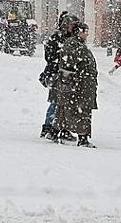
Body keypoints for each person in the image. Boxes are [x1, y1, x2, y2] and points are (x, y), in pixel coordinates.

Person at [53, 21, 98, 148]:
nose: (87, 34)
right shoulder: (73, 45)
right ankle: (83, 138)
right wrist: (74, 80)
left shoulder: (77, 44)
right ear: (78, 31)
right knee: (81, 110)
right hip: (80, 85)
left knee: (68, 108)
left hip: (82, 84)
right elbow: (69, 64)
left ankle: (55, 132)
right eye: (85, 31)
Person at [38, 12, 78, 141]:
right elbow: (49, 57)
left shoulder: (72, 39)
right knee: (56, 101)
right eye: (71, 24)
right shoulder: (56, 38)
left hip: (67, 76)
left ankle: (62, 127)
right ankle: (48, 126)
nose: (73, 27)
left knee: (66, 102)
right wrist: (61, 58)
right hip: (55, 75)